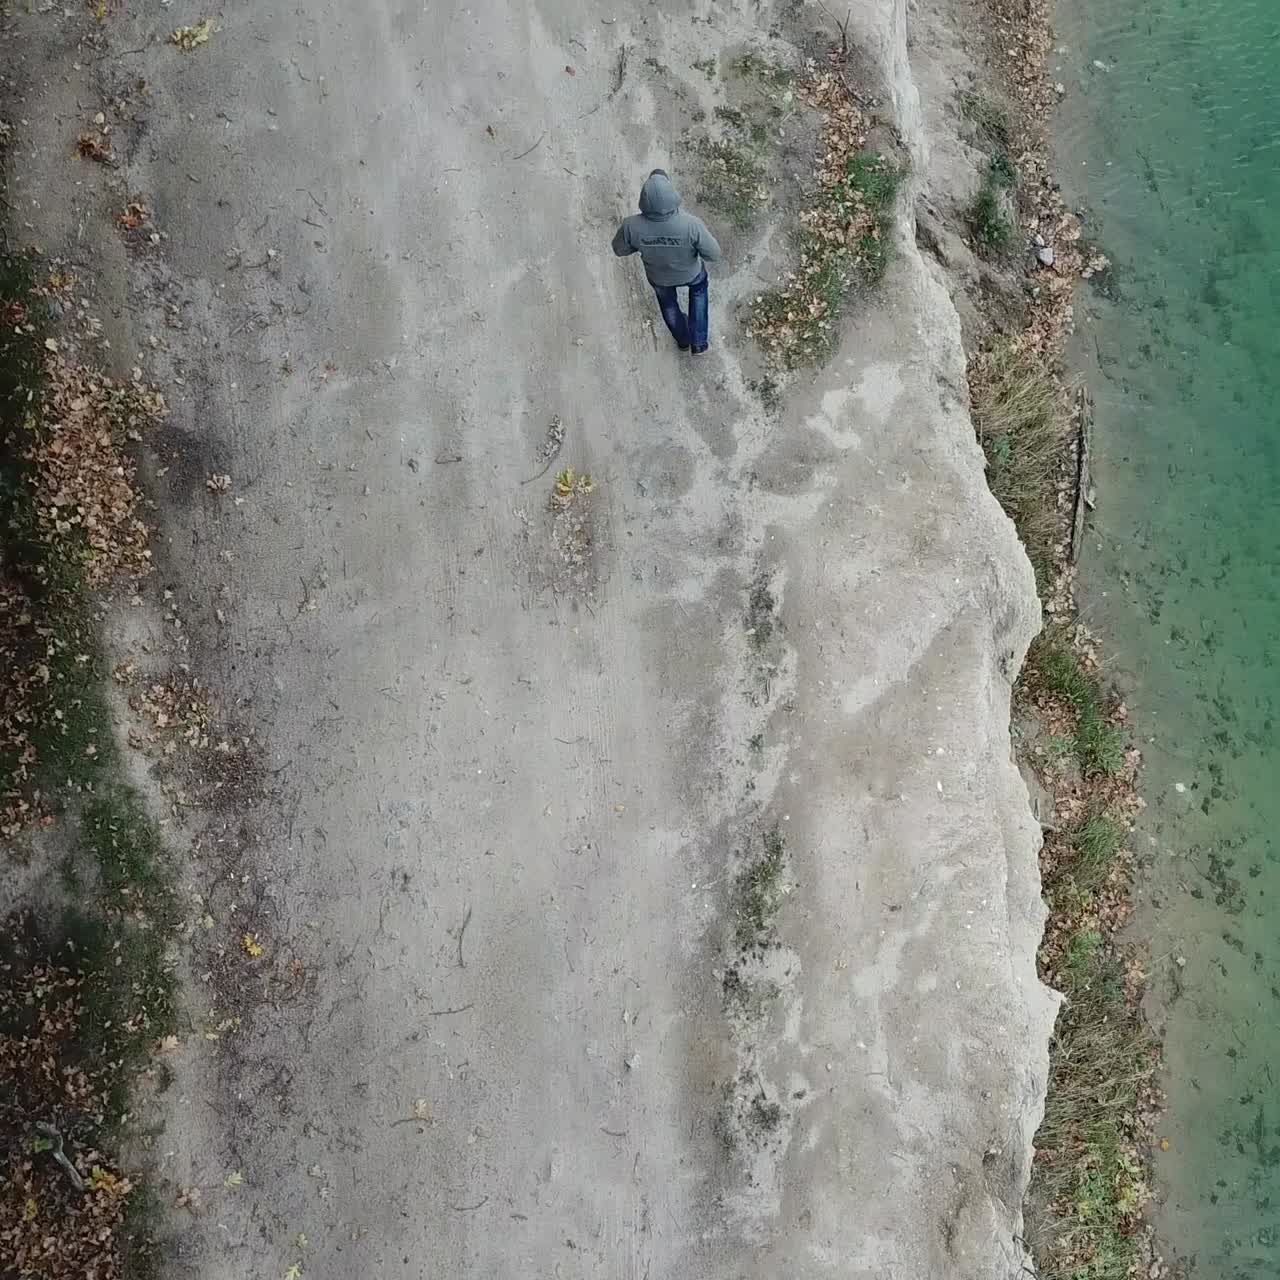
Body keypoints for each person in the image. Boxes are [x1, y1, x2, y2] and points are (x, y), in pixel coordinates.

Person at [611, 169, 722, 355]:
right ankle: (699, 342)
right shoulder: (691, 225)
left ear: (643, 199)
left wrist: (640, 245)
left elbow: (619, 250)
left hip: (659, 277)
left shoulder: (631, 225)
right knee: (699, 294)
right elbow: (714, 254)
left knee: (668, 304)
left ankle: (683, 340)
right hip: (691, 273)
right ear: (672, 195)